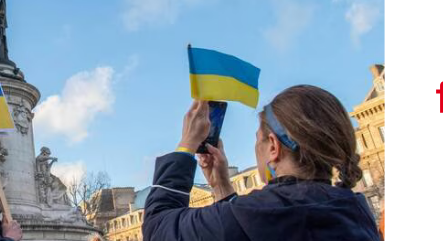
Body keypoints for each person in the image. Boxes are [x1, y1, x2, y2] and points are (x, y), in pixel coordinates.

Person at [142, 85, 383, 240]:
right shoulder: (357, 211)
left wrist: (186, 145)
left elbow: (157, 230)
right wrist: (222, 188)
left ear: (273, 147)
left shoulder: (258, 213)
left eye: (258, 140)